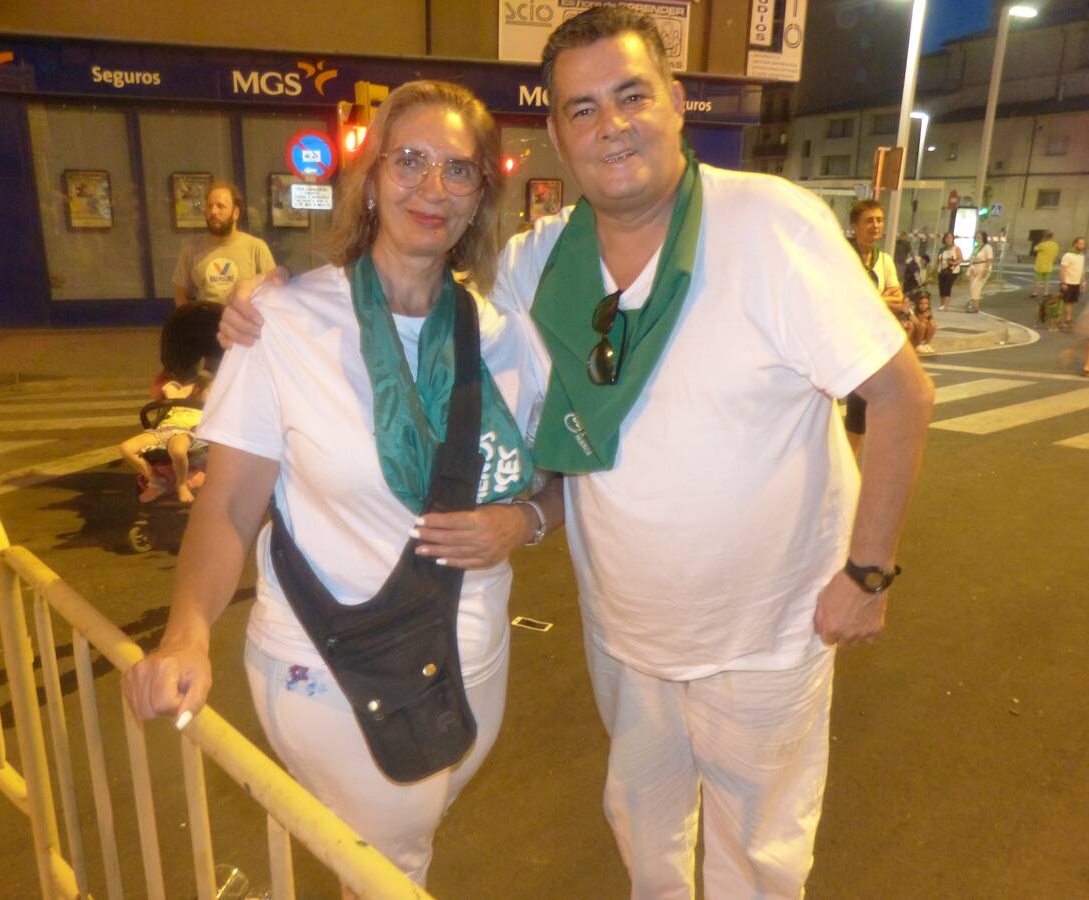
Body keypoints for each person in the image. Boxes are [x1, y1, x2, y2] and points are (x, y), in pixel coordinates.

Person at [222, 9, 934, 897]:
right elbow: (417, 287)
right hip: (626, 631)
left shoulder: (769, 225)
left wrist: (868, 572)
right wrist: (276, 292)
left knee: (758, 857)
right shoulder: (540, 263)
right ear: (557, 136)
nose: (612, 126)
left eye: (632, 97)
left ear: (676, 103)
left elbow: (901, 393)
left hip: (768, 632)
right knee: (645, 835)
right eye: (583, 109)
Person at [124, 80, 563, 890]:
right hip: (331, 662)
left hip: (473, 658)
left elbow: (560, 483)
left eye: (458, 170)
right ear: (371, 177)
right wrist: (186, 633)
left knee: (394, 850)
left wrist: (524, 522)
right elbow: (227, 504)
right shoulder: (285, 323)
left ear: (480, 197)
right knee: (392, 869)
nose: (432, 187)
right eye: (411, 160)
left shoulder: (506, 339)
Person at [845, 199, 918, 446]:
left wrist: (869, 300)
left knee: (859, 409)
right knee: (827, 409)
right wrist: (880, 299)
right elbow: (844, 298)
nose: (875, 225)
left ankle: (850, 465)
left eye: (879, 220)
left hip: (871, 342)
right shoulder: (843, 256)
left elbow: (897, 298)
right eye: (869, 220)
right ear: (855, 226)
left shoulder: (884, 260)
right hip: (844, 340)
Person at [171, 181, 275, 307]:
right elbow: (180, 292)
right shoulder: (191, 249)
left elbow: (273, 290)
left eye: (220, 206)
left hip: (244, 318)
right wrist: (189, 316)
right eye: (209, 206)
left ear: (235, 213)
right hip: (207, 318)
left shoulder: (256, 248)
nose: (213, 211)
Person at [119, 369, 212, 503]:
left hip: (186, 430)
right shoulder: (182, 395)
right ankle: (157, 481)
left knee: (178, 451)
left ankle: (181, 484)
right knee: (126, 448)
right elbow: (162, 393)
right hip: (164, 429)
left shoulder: (206, 402)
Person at [1059, 236, 1085, 330]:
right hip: (1068, 283)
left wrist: (1083, 281)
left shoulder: (1081, 256)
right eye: (1081, 243)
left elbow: (1081, 270)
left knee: (1071, 303)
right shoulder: (1068, 255)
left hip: (1076, 283)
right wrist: (1063, 283)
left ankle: (1067, 320)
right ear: (1075, 244)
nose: (1083, 245)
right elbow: (1063, 270)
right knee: (1065, 302)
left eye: (1084, 244)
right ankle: (1064, 320)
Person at [966, 229, 993, 314]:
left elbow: (989, 259)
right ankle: (974, 306)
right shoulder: (977, 247)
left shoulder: (987, 247)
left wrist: (986, 269)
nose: (977, 238)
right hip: (974, 267)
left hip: (982, 267)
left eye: (979, 237)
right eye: (976, 237)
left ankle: (975, 307)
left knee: (975, 287)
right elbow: (972, 258)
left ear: (983, 238)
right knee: (972, 287)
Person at [936, 231, 963, 311]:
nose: (948, 239)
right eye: (947, 237)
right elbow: (938, 259)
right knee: (941, 286)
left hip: (952, 270)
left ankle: (945, 305)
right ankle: (942, 304)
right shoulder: (942, 249)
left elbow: (960, 259)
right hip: (941, 269)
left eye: (950, 237)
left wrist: (953, 263)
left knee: (947, 286)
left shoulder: (956, 248)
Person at [1031, 230, 1060, 300]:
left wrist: (1041, 242)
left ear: (1044, 237)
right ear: (1052, 237)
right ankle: (1045, 293)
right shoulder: (1055, 245)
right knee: (1047, 281)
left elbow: (1035, 249)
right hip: (1049, 265)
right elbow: (1056, 254)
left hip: (1040, 265)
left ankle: (1035, 293)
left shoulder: (1042, 245)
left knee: (1038, 280)